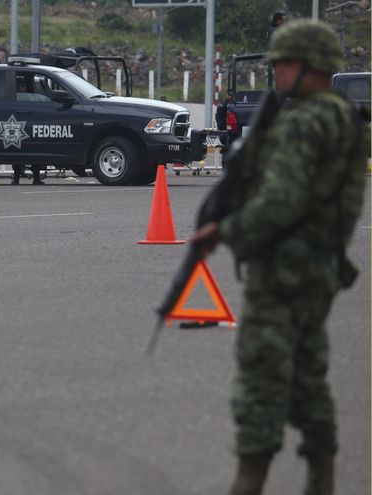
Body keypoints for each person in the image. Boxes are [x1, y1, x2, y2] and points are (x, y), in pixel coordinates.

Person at [190, 20, 367, 495]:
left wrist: (224, 231)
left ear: (312, 65)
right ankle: (321, 482)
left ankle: (249, 481)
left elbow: (281, 202)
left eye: (285, 62)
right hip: (318, 271)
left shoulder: (307, 121)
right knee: (309, 378)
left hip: (285, 272)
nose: (276, 71)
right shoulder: (342, 118)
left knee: (261, 379)